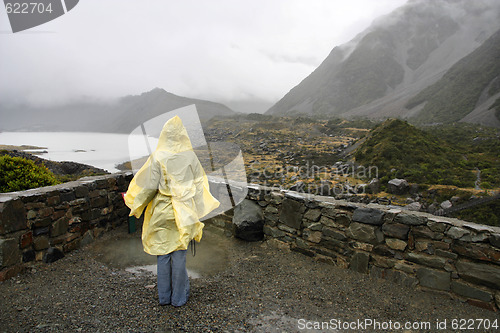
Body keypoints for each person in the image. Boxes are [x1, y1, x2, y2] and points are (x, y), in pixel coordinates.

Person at [124, 115, 220, 307]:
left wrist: (136, 205)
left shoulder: (158, 156)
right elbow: (200, 184)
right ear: (182, 135)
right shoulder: (190, 156)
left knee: (163, 254)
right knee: (179, 253)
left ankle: (164, 297)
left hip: (162, 211)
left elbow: (148, 187)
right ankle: (179, 298)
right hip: (183, 211)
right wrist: (199, 209)